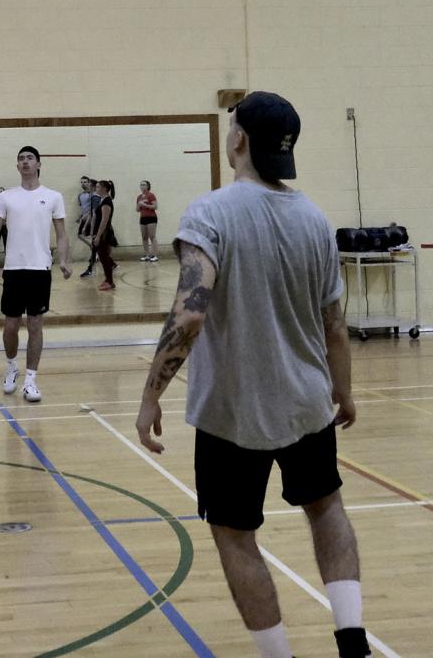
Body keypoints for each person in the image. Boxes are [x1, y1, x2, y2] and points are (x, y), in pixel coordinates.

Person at [136, 92, 372, 658]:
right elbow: (334, 324)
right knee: (327, 508)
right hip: (307, 403)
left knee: (236, 536)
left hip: (231, 415)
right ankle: (353, 641)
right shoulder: (315, 220)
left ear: (238, 139)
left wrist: (150, 395)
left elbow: (190, 311)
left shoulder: (209, 213)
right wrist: (343, 391)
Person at [0, 147, 71, 402]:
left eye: (29, 158)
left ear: (39, 164)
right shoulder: (7, 197)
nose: (25, 162)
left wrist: (64, 260)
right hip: (13, 270)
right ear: (17, 165)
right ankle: (12, 366)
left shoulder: (53, 197)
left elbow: (62, 234)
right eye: (21, 159)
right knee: (11, 325)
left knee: (35, 323)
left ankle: (31, 380)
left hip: (39, 269)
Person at [91, 180, 118, 291]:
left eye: (98, 187)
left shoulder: (106, 202)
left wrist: (98, 236)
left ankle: (110, 281)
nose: (96, 188)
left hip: (104, 234)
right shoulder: (103, 201)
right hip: (101, 233)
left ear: (104, 189)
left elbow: (104, 220)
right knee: (103, 257)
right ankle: (108, 279)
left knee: (104, 257)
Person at [80, 179, 101, 278]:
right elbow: (91, 214)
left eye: (87, 183)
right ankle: (90, 269)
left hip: (98, 226)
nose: (85, 185)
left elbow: (94, 214)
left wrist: (91, 228)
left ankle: (90, 269)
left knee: (99, 249)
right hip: (96, 225)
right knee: (98, 249)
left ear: (91, 186)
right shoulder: (93, 197)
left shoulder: (95, 198)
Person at [76, 175, 97, 262]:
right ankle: (94, 252)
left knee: (91, 237)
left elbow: (92, 208)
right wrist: (80, 217)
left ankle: (95, 254)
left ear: (89, 183)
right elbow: (83, 208)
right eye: (81, 182)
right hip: (84, 218)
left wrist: (89, 215)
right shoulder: (80, 195)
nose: (83, 184)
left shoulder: (92, 194)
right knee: (81, 235)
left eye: (85, 182)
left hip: (91, 218)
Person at [137, 179, 159, 262]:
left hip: (151, 218)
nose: (142, 186)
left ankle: (155, 255)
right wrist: (139, 205)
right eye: (141, 185)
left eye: (144, 185)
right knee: (144, 237)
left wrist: (145, 205)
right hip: (143, 218)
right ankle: (147, 255)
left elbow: (155, 206)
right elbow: (137, 210)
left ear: (148, 186)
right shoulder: (139, 197)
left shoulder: (151, 195)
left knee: (152, 236)